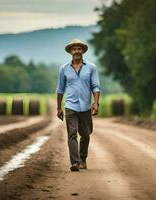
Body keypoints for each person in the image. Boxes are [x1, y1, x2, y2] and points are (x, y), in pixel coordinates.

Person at [56, 38, 100, 172]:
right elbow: (60, 89)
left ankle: (83, 158)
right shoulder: (63, 69)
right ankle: (75, 162)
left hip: (86, 107)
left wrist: (96, 103)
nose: (76, 51)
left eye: (79, 49)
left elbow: (96, 87)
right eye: (74, 49)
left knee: (85, 134)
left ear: (82, 51)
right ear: (70, 52)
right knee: (72, 134)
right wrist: (58, 107)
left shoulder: (91, 68)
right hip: (70, 106)